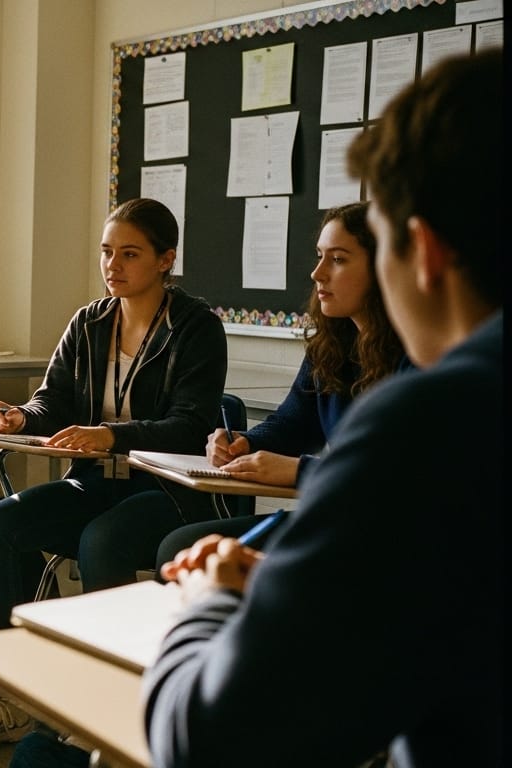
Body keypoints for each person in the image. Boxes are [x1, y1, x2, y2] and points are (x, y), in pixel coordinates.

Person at [146, 48, 503, 768]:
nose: (318, 276)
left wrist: (209, 603)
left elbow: (208, 740)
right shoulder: (355, 363)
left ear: (423, 252)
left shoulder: (435, 417)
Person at [0, 197, 226, 758]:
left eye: (130, 254)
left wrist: (111, 434)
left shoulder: (196, 328)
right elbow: (54, 400)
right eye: (106, 252)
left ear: (166, 259)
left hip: (166, 491)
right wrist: (22, 416)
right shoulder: (90, 321)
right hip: (96, 483)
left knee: (104, 540)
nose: (112, 265)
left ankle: (108, 702)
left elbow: (190, 426)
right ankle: (9, 697)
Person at [153, 200, 409, 567]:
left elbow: (397, 475)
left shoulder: (417, 355)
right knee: (182, 549)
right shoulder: (332, 345)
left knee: (194, 555)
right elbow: (291, 424)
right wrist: (244, 444)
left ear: (384, 266)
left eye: (338, 259)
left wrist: (299, 470)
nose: (317, 274)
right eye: (319, 256)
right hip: (334, 520)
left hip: (388, 536)